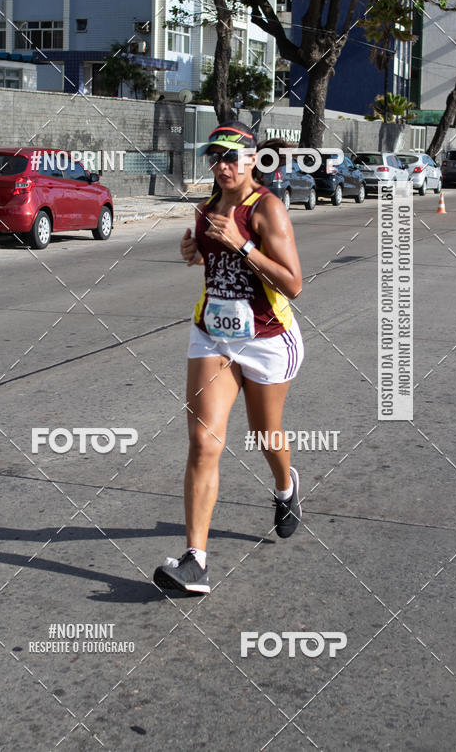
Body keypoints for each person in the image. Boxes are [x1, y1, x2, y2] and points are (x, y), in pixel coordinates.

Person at [153, 121, 305, 595]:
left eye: (230, 157)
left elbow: (293, 283)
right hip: (213, 336)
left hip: (266, 338)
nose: (222, 166)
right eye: (214, 157)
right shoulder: (204, 210)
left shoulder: (267, 209)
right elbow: (212, 261)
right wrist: (195, 252)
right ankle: (195, 560)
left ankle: (285, 487)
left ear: (251, 159)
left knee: (265, 434)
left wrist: (244, 244)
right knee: (203, 441)